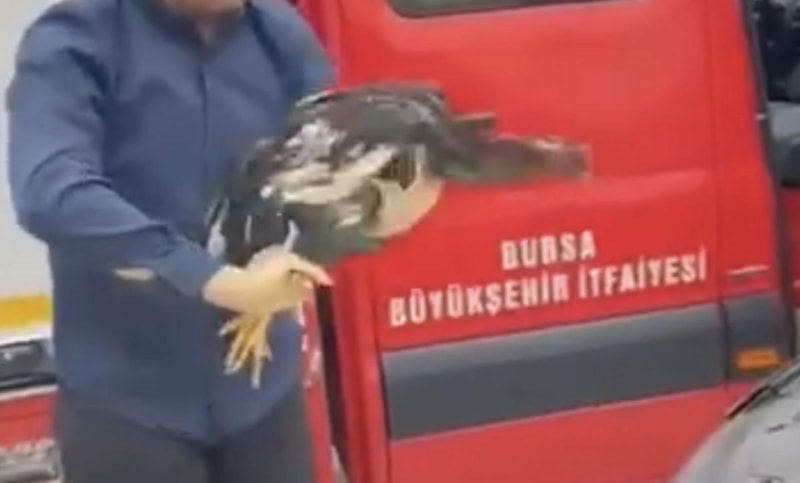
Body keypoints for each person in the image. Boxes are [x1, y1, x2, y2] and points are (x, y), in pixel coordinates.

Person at [5, 0, 334, 481]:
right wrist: (212, 280)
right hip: (129, 407)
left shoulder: (278, 32)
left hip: (262, 396)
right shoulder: (76, 38)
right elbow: (50, 190)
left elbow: (323, 161)